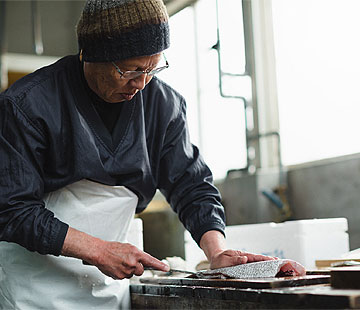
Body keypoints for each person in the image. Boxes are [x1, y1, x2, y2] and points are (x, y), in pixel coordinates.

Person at [0, 0, 274, 308]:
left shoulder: (163, 106)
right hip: (32, 288)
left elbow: (191, 185)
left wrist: (216, 251)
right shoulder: (27, 104)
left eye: (153, 68)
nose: (141, 83)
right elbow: (12, 209)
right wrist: (99, 251)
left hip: (106, 289)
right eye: (130, 70)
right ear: (92, 54)